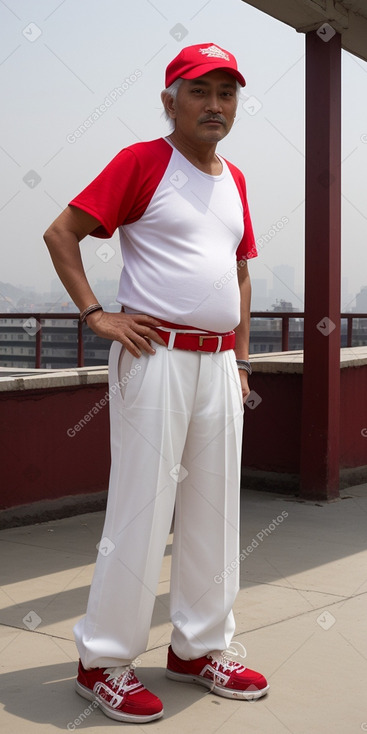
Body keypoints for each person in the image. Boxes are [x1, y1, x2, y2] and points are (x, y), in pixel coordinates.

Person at [44, 42, 268, 724]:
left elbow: (238, 273)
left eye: (226, 93)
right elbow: (62, 233)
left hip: (216, 363)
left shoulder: (233, 179)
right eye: (200, 92)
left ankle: (199, 648)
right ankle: (101, 660)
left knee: (214, 511)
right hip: (154, 354)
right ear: (170, 99)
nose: (215, 105)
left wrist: (241, 361)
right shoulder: (143, 162)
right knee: (140, 510)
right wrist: (95, 315)